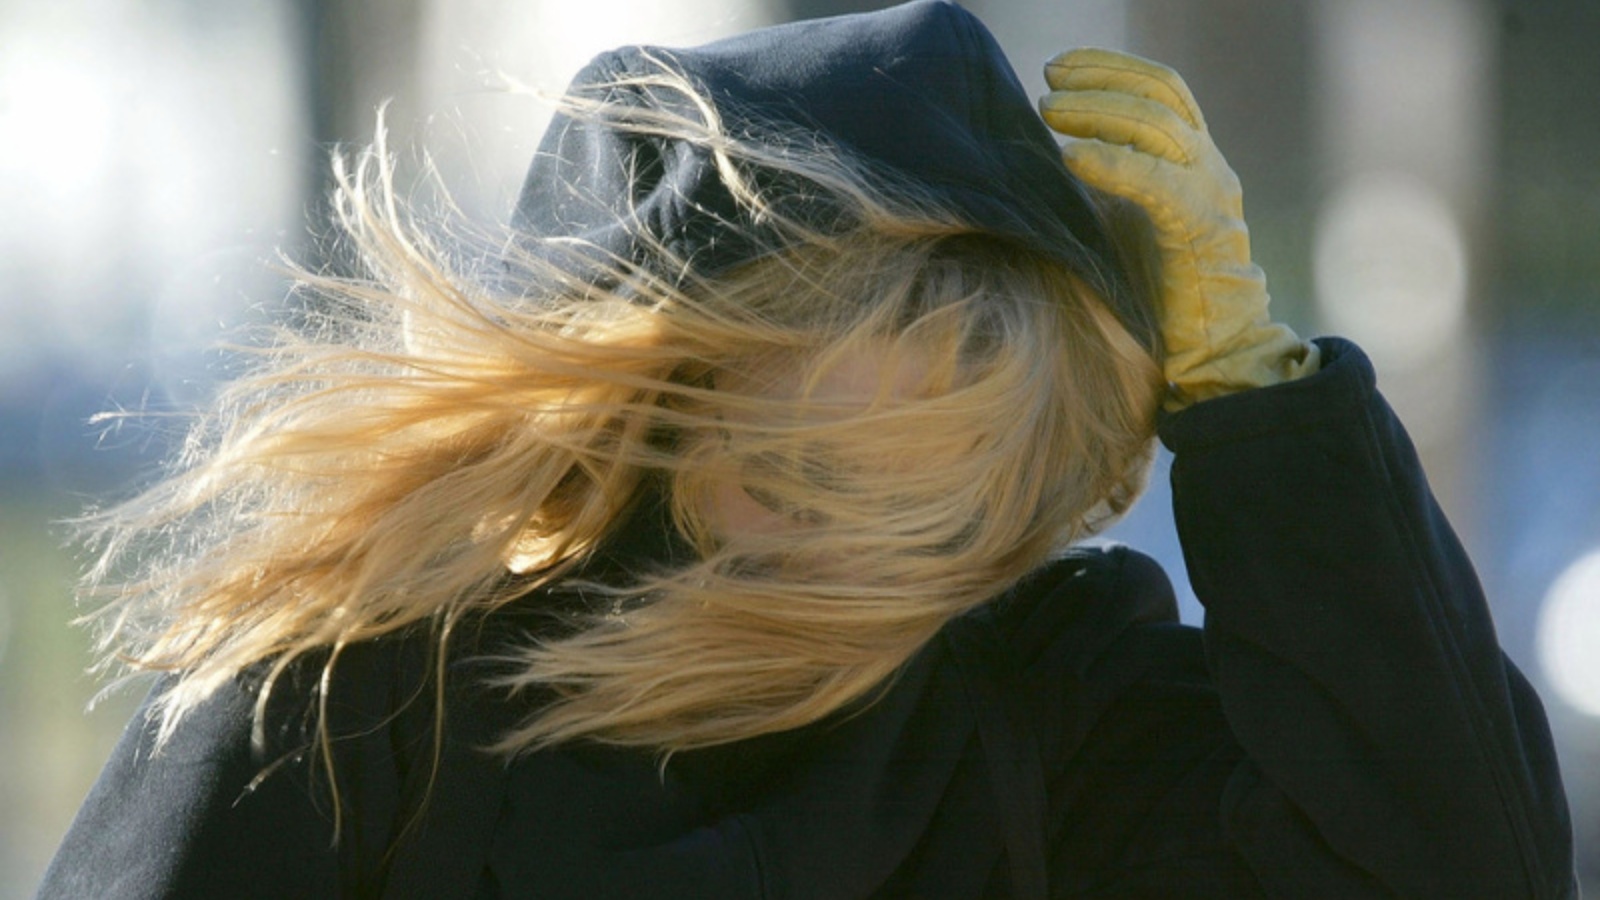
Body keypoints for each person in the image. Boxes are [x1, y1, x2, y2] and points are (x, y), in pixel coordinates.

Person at [38, 2, 1575, 897]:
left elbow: (1462, 867)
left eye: (928, 488)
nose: (846, 545)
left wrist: (1260, 402)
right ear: (644, 407)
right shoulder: (358, 700)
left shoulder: (1044, 706)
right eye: (792, 468)